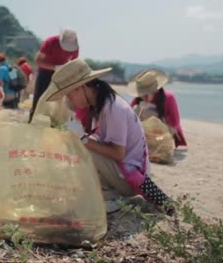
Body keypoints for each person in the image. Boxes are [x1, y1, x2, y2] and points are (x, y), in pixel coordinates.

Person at [47, 58, 174, 215]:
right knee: (77, 148)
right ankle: (111, 196)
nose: (69, 100)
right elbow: (104, 144)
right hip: (120, 171)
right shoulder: (100, 104)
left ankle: (115, 196)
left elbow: (118, 153)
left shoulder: (113, 108)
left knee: (81, 148)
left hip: (128, 177)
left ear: (82, 87)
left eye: (69, 95)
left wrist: (83, 139)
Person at [29, 28, 79, 122]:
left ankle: (58, 120)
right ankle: (33, 120)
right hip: (45, 71)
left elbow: (74, 63)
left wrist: (68, 71)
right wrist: (54, 67)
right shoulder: (51, 42)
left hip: (61, 73)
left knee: (63, 99)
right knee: (40, 97)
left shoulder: (75, 46)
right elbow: (38, 61)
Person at [127, 69, 187, 148]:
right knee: (135, 109)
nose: (144, 97)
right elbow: (128, 119)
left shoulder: (168, 97)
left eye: (146, 93)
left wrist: (155, 118)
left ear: (155, 90)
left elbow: (175, 122)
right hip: (145, 133)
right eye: (142, 93)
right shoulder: (138, 99)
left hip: (166, 131)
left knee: (147, 112)